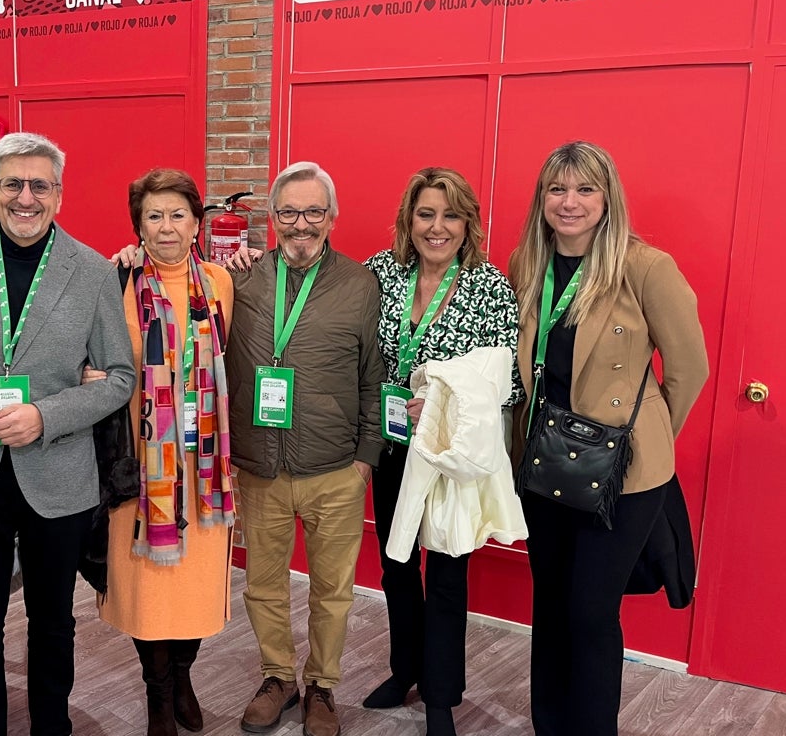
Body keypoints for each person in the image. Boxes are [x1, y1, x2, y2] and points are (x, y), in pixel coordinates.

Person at [0, 131, 135, 736]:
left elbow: (119, 378)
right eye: (12, 183)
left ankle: (51, 726)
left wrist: (47, 415)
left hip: (59, 471)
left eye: (39, 185)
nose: (26, 197)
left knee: (52, 621)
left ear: (59, 196)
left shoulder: (92, 271)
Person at [508, 141, 708, 736]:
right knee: (550, 607)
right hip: (545, 463)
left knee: (591, 613)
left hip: (622, 473)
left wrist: (644, 438)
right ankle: (550, 724)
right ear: (542, 198)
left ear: (607, 198)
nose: (569, 203)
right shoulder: (528, 262)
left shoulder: (646, 267)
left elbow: (689, 366)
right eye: (557, 189)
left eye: (585, 190)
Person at [361, 168, 524, 736]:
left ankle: (440, 697)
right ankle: (403, 667)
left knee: (447, 572)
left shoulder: (490, 287)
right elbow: (344, 331)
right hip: (389, 446)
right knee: (395, 565)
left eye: (450, 215)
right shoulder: (381, 274)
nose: (437, 227)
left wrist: (434, 394)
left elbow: (506, 382)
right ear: (409, 219)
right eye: (425, 214)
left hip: (446, 452)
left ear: (468, 224)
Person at [225, 162, 384, 736]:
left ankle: (322, 685)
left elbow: (373, 376)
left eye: (313, 211)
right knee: (264, 584)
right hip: (260, 465)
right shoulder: (239, 280)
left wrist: (366, 457)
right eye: (289, 212)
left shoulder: (360, 284)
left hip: (335, 467)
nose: (301, 223)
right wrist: (126, 255)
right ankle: (277, 676)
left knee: (332, 591)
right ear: (272, 218)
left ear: (331, 218)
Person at [89, 168, 236, 736]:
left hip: (203, 470)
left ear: (197, 223)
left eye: (178, 214)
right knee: (148, 595)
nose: (167, 226)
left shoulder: (221, 282)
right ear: (138, 226)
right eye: (154, 215)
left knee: (195, 592)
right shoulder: (116, 280)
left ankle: (184, 677)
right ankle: (157, 697)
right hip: (140, 468)